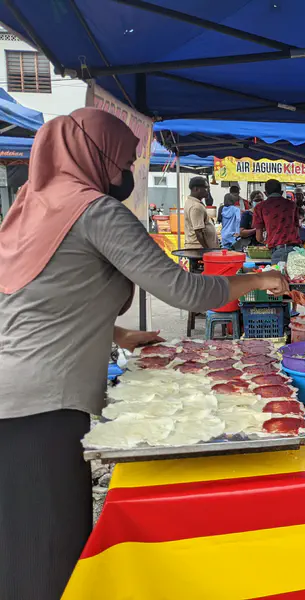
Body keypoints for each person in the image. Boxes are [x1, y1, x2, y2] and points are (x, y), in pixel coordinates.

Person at [0, 108, 289, 599]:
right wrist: (261, 278)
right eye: (127, 162)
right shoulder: (94, 210)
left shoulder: (34, 204)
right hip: (40, 404)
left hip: (16, 392)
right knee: (49, 545)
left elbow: (36, 299)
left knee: (17, 537)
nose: (129, 175)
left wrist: (115, 334)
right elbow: (182, 289)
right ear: (98, 155)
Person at [253, 179, 302, 263]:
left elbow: (259, 237)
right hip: (296, 250)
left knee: (279, 276)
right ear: (281, 192)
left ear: (265, 193)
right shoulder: (292, 205)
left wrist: (269, 241)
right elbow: (297, 230)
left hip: (278, 251)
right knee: (296, 276)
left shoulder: (259, 207)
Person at [185, 176, 218, 249]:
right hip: (198, 249)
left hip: (197, 248)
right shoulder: (196, 207)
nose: (207, 191)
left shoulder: (191, 202)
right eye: (205, 188)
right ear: (196, 189)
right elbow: (198, 233)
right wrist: (207, 250)